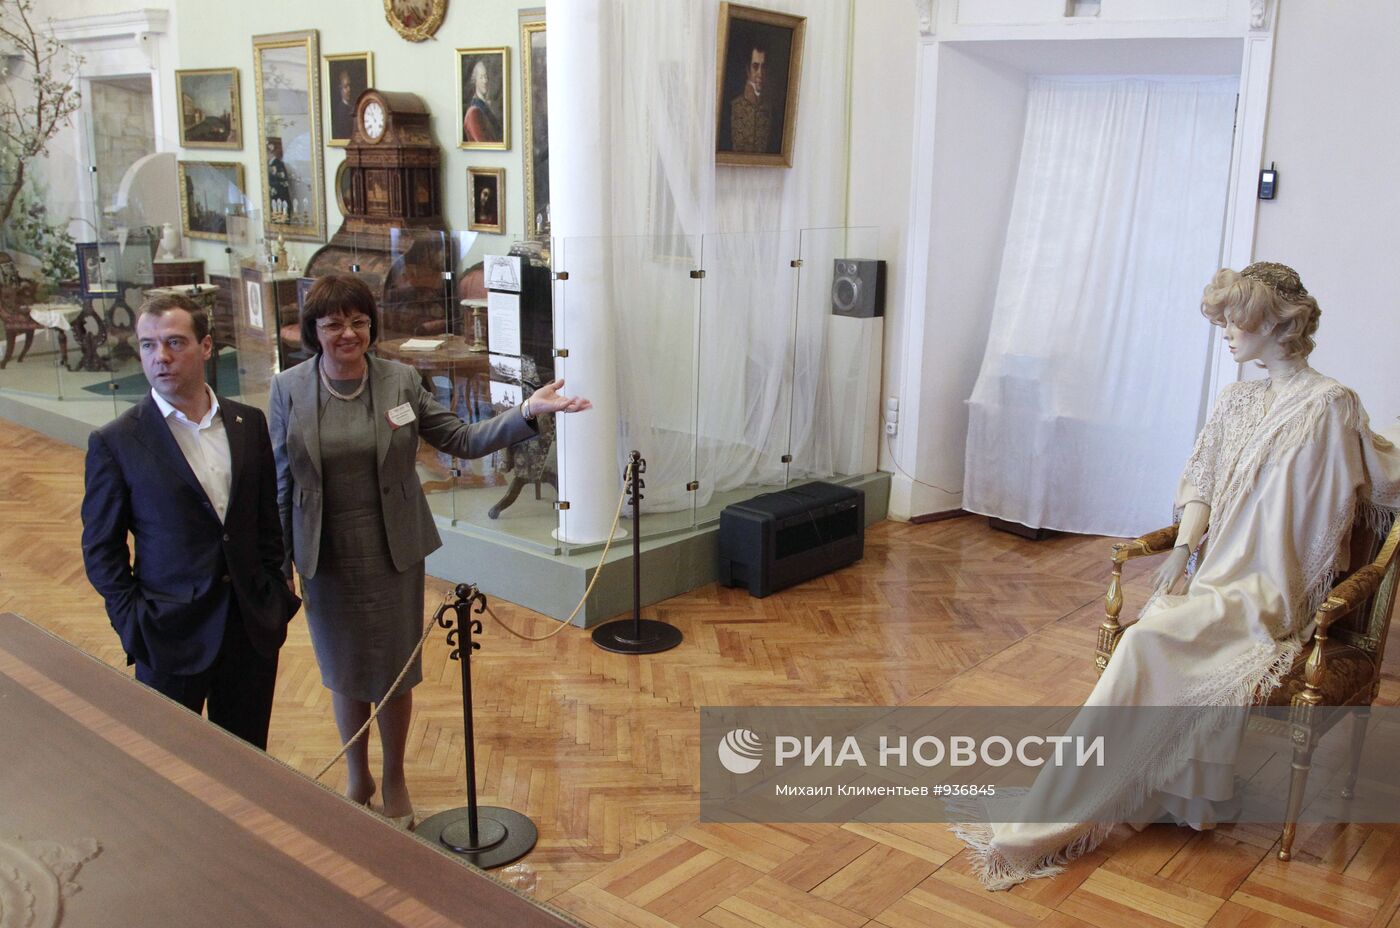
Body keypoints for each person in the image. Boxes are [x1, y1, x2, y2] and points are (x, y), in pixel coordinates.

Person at [956, 262, 1400, 890]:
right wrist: (1183, 549)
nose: (1225, 331)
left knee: (1146, 639)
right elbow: (1202, 481)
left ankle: (1078, 806)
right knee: (1157, 629)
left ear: (1278, 323)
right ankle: (1150, 795)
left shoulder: (1332, 404)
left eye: (1235, 318)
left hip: (1270, 591)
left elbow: (1382, 476)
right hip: (1216, 576)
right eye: (1222, 319)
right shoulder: (1236, 400)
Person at [268, 273, 591, 826]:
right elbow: (280, 480)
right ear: (313, 331)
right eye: (334, 324)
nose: (348, 333)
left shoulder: (399, 381)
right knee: (343, 667)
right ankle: (357, 775)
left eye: (359, 321)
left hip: (392, 549)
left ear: (371, 325)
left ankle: (394, 777)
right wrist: (280, 560)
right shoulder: (288, 389)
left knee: (395, 667)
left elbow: (462, 439)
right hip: (325, 552)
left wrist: (527, 412)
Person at [81, 294, 301, 750]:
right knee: (169, 765)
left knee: (246, 761)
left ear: (206, 346)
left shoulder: (248, 424)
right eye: (148, 345)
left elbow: (267, 522)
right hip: (168, 634)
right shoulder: (116, 442)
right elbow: (101, 549)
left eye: (174, 342)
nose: (159, 356)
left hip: (249, 628)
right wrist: (133, 622)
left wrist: (274, 593)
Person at [728, 45, 773, 153]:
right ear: (748, 70)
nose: (760, 74)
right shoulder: (733, 107)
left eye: (763, 67)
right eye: (755, 67)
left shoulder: (771, 110)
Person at [462, 60, 503, 144]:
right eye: (481, 77)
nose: (485, 81)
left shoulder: (486, 107)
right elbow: (484, 144)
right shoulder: (473, 112)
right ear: (475, 81)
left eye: (486, 77)